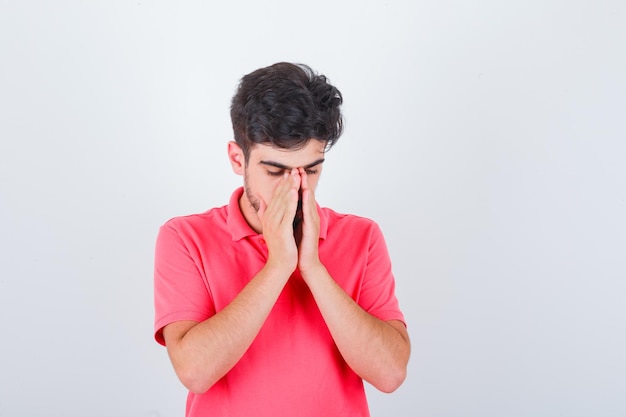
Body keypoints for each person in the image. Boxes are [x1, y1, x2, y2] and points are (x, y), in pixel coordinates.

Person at [153, 62, 410, 417]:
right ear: (236, 158)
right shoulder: (184, 238)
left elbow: (391, 374)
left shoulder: (362, 236)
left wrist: (314, 269)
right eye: (275, 171)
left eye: (312, 170)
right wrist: (278, 266)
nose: (295, 187)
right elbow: (195, 372)